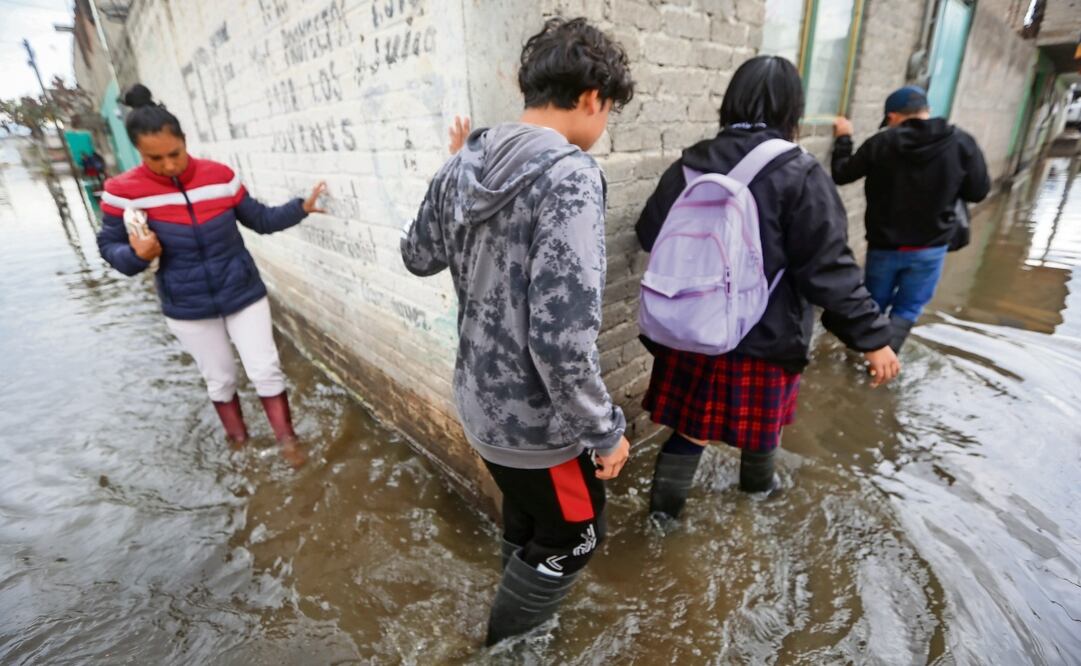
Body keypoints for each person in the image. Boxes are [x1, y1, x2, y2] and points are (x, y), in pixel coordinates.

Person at [401, 17, 634, 646]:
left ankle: (522, 623)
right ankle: (501, 648)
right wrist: (605, 432)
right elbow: (561, 339)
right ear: (591, 98)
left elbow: (415, 254)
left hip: (478, 402)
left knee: (530, 517)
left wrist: (449, 174)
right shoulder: (571, 175)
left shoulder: (464, 163)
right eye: (608, 108)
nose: (604, 123)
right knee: (576, 535)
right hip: (538, 424)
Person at [636, 56, 900, 520]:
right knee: (764, 431)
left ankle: (661, 523)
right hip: (764, 335)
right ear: (791, 110)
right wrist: (872, 338)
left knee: (690, 429)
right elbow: (827, 268)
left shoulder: (690, 164)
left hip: (693, 328)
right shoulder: (799, 172)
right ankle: (757, 506)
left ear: (731, 100)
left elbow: (649, 233)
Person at [96, 84, 327, 467]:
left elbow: (260, 220)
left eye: (175, 154)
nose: (169, 165)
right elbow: (110, 249)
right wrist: (136, 256)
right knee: (220, 379)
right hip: (187, 306)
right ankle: (238, 444)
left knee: (265, 369)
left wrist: (300, 208)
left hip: (242, 292)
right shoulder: (123, 192)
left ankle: (289, 443)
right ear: (139, 152)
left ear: (186, 142)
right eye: (156, 159)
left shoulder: (219, 177)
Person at [831, 85, 991, 351]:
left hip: (884, 248)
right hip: (930, 250)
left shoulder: (881, 142)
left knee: (871, 307)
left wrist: (844, 139)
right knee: (907, 309)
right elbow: (978, 191)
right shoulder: (962, 143)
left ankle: (859, 357)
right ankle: (882, 367)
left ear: (893, 116)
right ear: (925, 111)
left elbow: (842, 173)